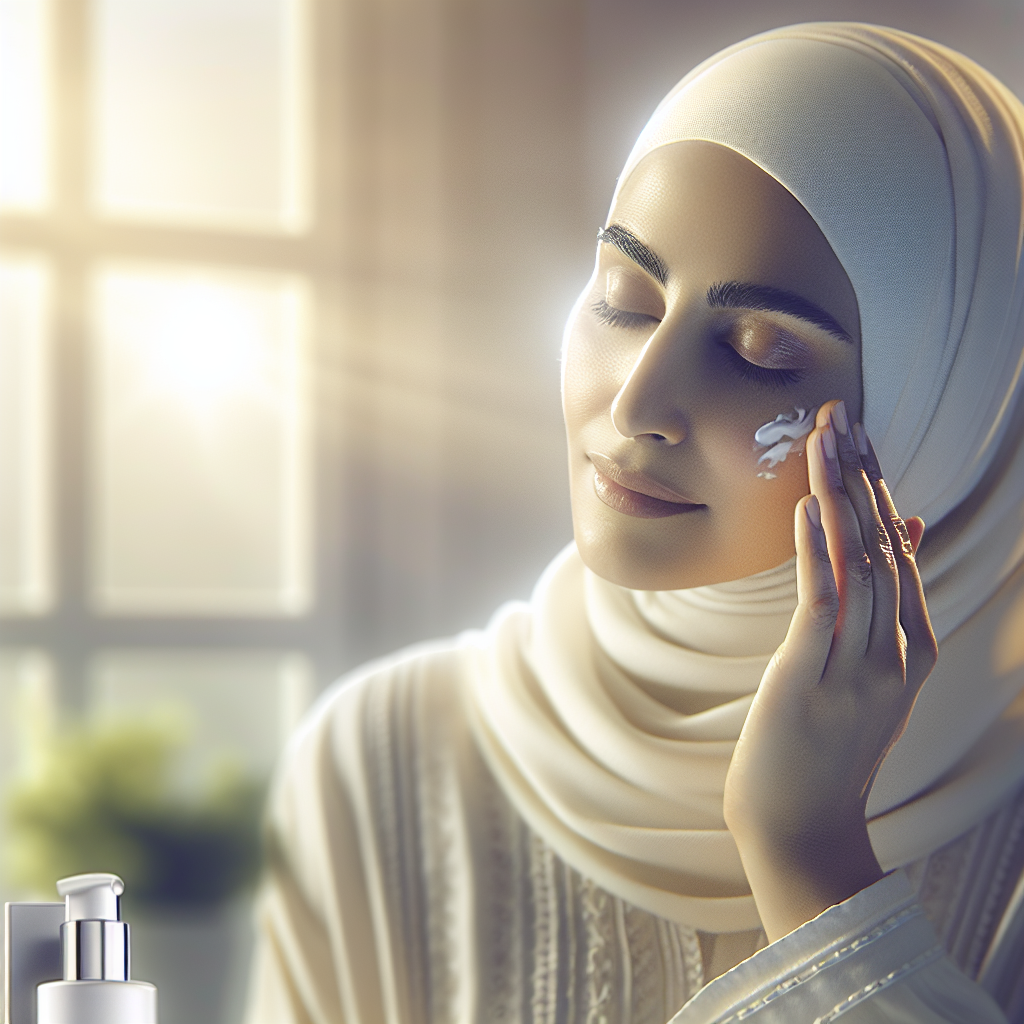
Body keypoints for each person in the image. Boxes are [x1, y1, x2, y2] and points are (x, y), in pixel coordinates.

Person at [244, 23, 1024, 1024]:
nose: (636, 403)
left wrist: (808, 858)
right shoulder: (386, 761)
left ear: (951, 413)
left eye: (759, 350)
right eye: (625, 297)